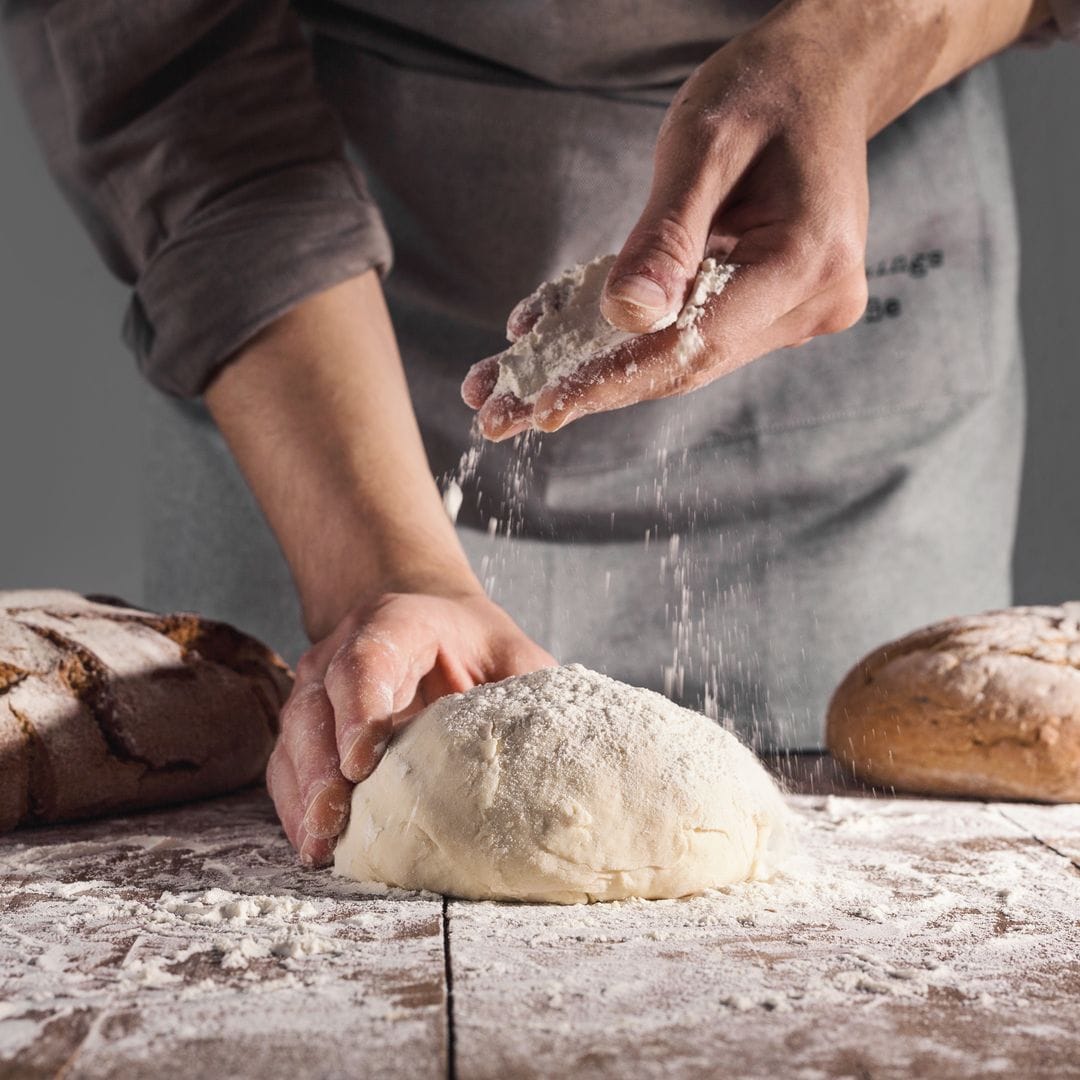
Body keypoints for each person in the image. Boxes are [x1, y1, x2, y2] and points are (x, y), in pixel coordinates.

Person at [4, 1, 1076, 865]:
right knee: (323, 797)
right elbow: (164, 63)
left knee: (890, 836)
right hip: (317, 345)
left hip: (841, 257)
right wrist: (375, 565)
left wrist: (871, 33)